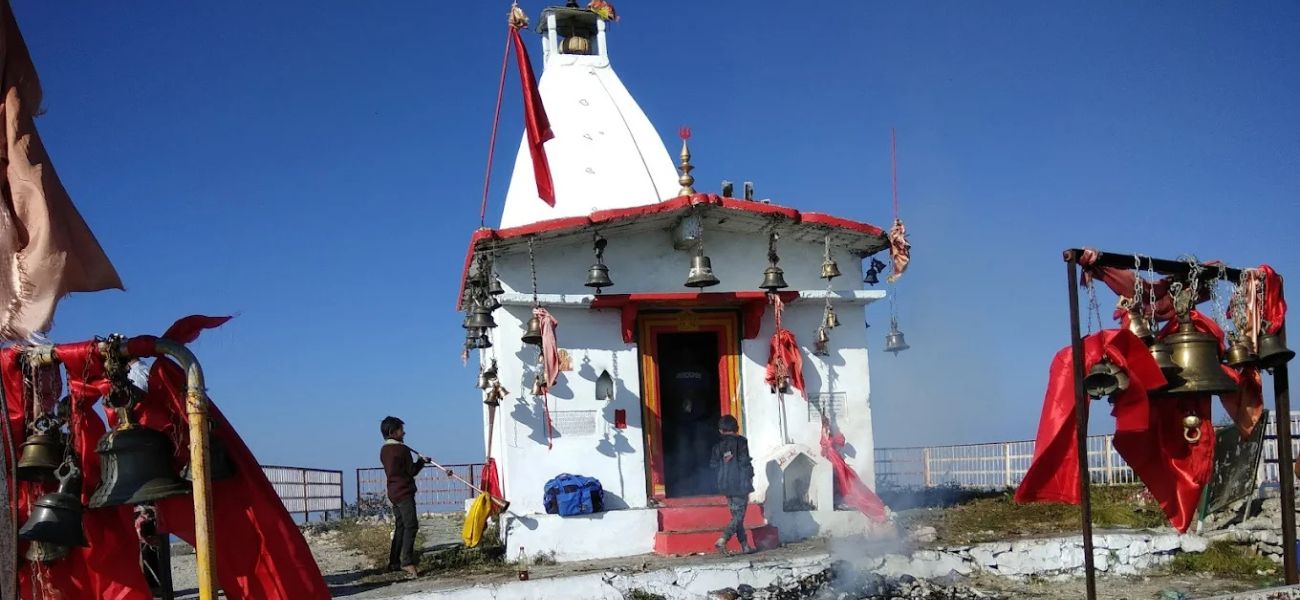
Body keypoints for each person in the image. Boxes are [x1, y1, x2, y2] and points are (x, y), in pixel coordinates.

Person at [380, 416, 431, 577]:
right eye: (401, 430)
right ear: (392, 432)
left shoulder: (384, 450)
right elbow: (412, 471)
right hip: (404, 492)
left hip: (393, 492)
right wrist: (421, 462)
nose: (404, 433)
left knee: (401, 526)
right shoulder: (402, 449)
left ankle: (394, 562)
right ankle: (406, 562)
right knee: (411, 526)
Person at [710, 415, 754, 554]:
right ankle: (723, 538)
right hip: (740, 484)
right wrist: (750, 476)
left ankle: (745, 546)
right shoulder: (741, 442)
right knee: (739, 516)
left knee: (736, 516)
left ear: (720, 430)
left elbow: (713, 465)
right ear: (737, 428)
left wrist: (724, 461)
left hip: (725, 484)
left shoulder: (717, 446)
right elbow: (744, 462)